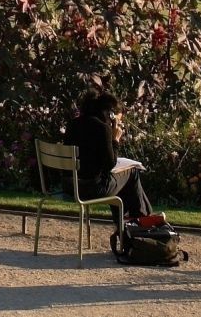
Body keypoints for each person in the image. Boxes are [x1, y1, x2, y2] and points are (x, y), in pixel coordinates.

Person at [65, 91, 153, 233]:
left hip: (70, 186)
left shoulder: (73, 124)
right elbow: (110, 164)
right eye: (118, 120)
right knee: (132, 172)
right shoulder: (102, 128)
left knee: (121, 182)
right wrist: (115, 139)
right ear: (110, 114)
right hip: (92, 189)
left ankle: (136, 224)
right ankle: (142, 224)